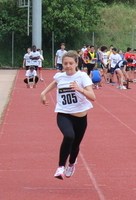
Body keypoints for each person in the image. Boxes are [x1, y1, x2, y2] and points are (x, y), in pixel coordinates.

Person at [40, 51, 95, 180]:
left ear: (76, 63)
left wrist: (80, 89)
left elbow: (93, 97)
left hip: (80, 117)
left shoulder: (82, 77)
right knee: (69, 136)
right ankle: (60, 168)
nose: (68, 66)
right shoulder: (60, 76)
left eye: (71, 63)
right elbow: (55, 82)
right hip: (63, 114)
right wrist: (43, 93)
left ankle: (71, 163)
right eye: (65, 63)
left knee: (75, 146)